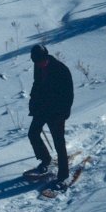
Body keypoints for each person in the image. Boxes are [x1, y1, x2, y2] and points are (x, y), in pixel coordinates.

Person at [24, 44, 74, 189]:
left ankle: (63, 175)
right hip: (42, 109)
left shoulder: (61, 70)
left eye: (41, 61)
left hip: (57, 112)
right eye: (36, 62)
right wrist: (33, 102)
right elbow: (37, 85)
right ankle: (45, 159)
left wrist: (64, 113)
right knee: (32, 134)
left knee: (59, 142)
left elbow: (68, 95)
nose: (39, 64)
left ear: (46, 57)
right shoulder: (38, 66)